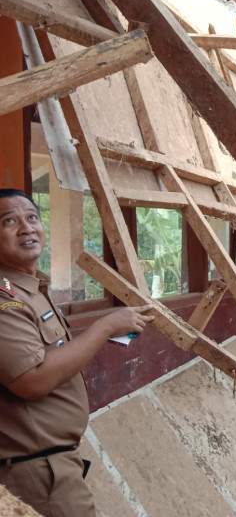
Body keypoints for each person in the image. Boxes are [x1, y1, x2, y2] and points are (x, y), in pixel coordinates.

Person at [0, 188, 153, 516]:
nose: (26, 228)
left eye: (32, 217)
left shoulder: (34, 290)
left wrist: (107, 332)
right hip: (38, 471)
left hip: (53, 464)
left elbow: (51, 355)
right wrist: (103, 328)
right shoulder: (5, 300)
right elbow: (31, 380)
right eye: (9, 221)